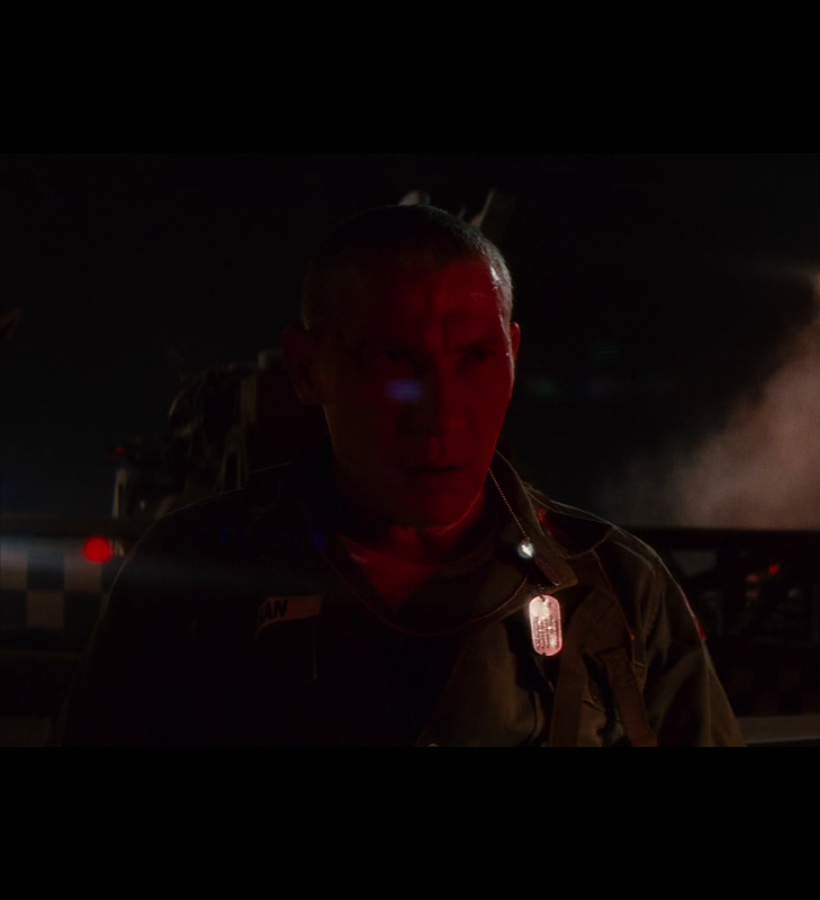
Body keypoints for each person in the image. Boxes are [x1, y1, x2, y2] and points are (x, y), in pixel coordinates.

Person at [55, 204, 744, 746]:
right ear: (308, 370)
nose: (440, 412)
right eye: (392, 361)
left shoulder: (618, 589)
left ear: (513, 356)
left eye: (476, 358)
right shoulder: (193, 580)